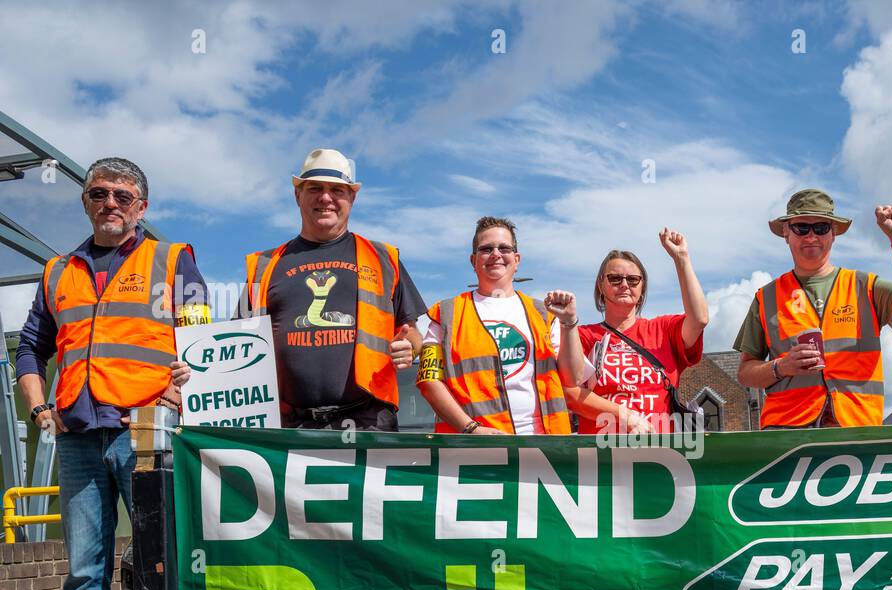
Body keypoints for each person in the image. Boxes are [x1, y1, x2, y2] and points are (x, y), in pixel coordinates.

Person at [15, 156, 209, 590]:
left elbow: (203, 339)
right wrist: (38, 404)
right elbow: (31, 348)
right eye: (100, 194)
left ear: (142, 207)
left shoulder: (174, 260)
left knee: (162, 559)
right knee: (84, 569)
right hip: (77, 436)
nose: (112, 204)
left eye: (124, 196)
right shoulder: (57, 272)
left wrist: (187, 386)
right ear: (86, 201)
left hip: (145, 432)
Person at [238, 149, 424, 430]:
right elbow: (235, 344)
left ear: (351, 198)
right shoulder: (264, 267)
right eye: (315, 188)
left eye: (337, 190)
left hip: (368, 422)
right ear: (297, 195)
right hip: (288, 427)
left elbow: (413, 334)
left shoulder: (383, 259)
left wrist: (410, 346)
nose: (326, 198)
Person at [733, 188, 892, 428]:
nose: (811, 236)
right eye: (801, 227)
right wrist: (780, 366)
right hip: (787, 434)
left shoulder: (864, 286)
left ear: (833, 233)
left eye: (821, 228)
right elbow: (745, 372)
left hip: (856, 429)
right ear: (786, 233)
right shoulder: (766, 298)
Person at [418, 216, 583, 435]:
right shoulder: (445, 313)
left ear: (516, 259)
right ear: (473, 260)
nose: (496, 254)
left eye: (504, 248)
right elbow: (429, 380)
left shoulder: (545, 313)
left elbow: (574, 379)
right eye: (486, 249)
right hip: (475, 448)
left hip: (545, 445)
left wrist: (569, 323)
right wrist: (471, 429)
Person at [567, 228, 708, 434]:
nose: (624, 284)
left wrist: (681, 259)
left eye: (633, 280)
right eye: (615, 279)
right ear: (601, 285)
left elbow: (699, 319)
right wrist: (624, 416)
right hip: (600, 453)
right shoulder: (582, 336)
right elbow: (570, 393)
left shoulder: (663, 330)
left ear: (642, 288)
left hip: (659, 450)